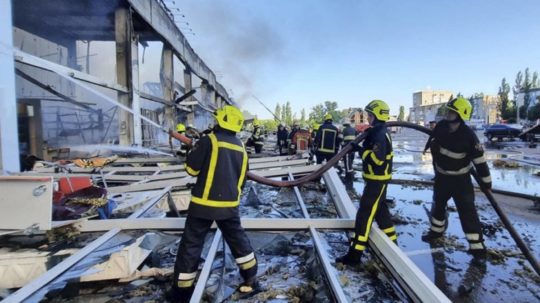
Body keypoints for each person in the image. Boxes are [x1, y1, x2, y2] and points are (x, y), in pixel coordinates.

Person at [167, 105, 257, 302]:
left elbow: (191, 170)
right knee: (239, 241)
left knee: (191, 245)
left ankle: (182, 291)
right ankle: (250, 278)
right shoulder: (241, 147)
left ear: (220, 121)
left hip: (203, 205)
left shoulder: (209, 141)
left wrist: (193, 150)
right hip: (230, 206)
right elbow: (243, 179)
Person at [421, 97, 491, 257]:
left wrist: (486, 182)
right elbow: (433, 142)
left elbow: (480, 161)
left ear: (461, 114)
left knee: (468, 212)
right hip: (442, 178)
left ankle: (477, 246)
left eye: (452, 111)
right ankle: (436, 232)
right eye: (448, 110)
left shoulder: (469, 135)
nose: (448, 113)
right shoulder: (441, 127)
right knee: (438, 207)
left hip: (461, 181)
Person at [336, 100, 396, 265]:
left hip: (377, 180)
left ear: (376, 116)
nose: (368, 118)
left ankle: (355, 254)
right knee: (381, 212)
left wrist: (360, 150)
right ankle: (394, 246)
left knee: (364, 216)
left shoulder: (379, 134)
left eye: (370, 115)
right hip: (376, 180)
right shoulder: (377, 131)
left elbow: (377, 160)